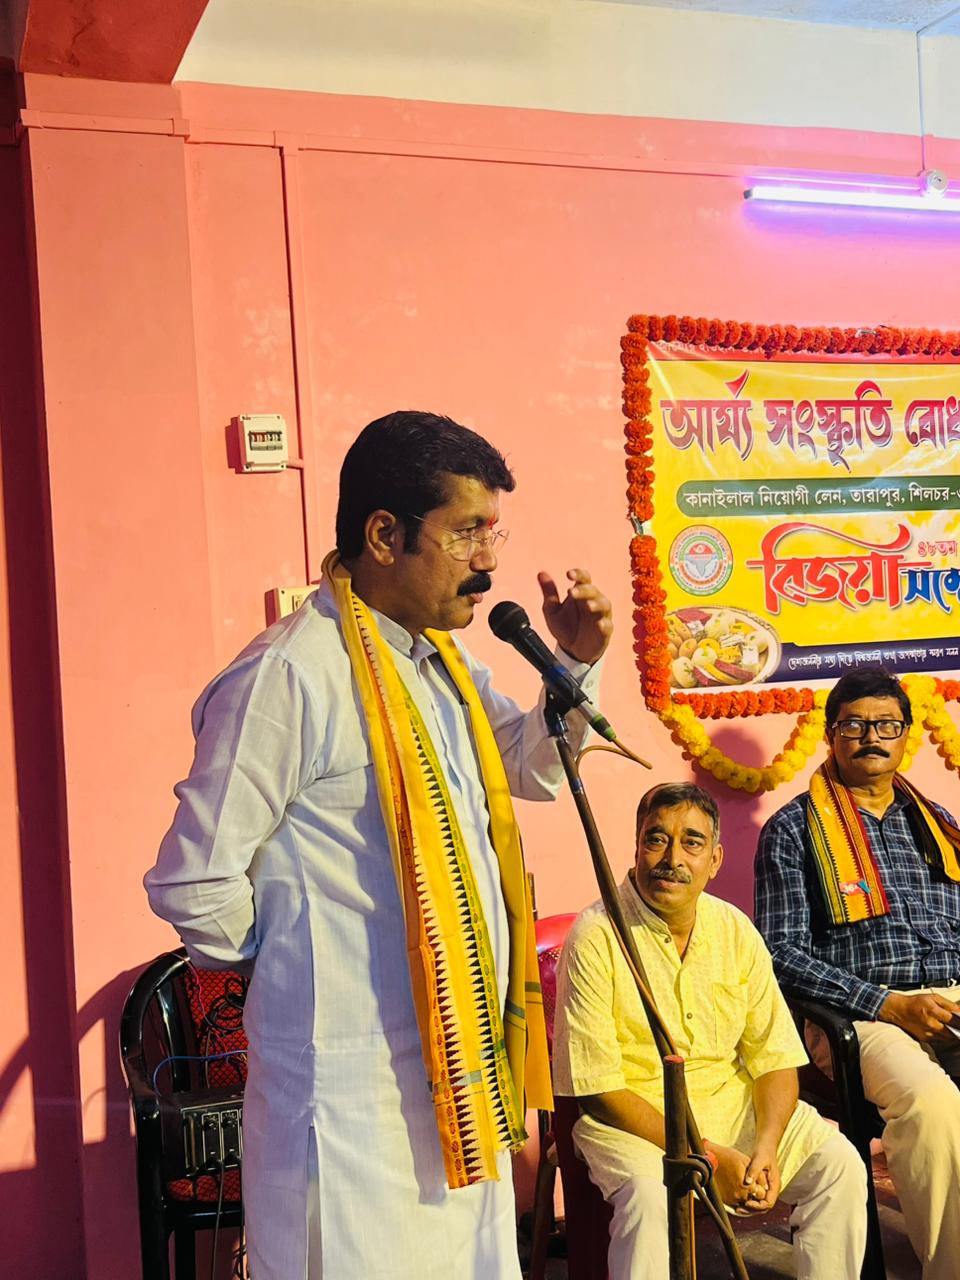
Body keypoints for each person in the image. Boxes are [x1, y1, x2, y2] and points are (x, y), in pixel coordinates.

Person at [144, 410, 613, 1280]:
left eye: (494, 531)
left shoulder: (442, 665)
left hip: (460, 1075)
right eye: (466, 531)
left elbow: (529, 767)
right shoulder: (290, 674)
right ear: (385, 535)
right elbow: (194, 881)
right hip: (348, 1098)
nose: (488, 560)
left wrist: (572, 667)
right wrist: (300, 968)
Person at [553, 781, 866, 1280]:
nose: (672, 858)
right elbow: (599, 1089)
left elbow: (775, 1056)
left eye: (692, 842)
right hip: (637, 1123)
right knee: (649, 1198)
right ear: (636, 847)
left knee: (839, 1166)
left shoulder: (735, 929)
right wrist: (709, 1158)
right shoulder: (596, 935)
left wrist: (767, 1146)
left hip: (731, 1107)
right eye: (657, 839)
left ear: (715, 860)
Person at [755, 665, 960, 1280]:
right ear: (831, 735)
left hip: (951, 995)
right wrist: (889, 1004)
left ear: (906, 735)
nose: (872, 736)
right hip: (861, 1017)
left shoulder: (938, 824)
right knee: (930, 1104)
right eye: (855, 725)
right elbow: (780, 953)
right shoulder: (793, 829)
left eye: (887, 725)